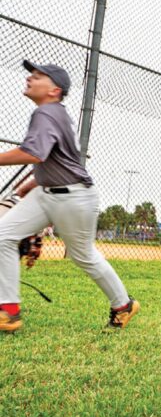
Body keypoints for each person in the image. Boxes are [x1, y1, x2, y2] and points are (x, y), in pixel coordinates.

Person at [0, 60, 139, 332]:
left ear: (54, 90)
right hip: (47, 193)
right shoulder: (53, 113)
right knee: (3, 235)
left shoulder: (47, 113)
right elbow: (53, 158)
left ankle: (123, 304)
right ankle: (9, 311)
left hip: (73, 197)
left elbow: (34, 153)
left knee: (83, 255)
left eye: (39, 76)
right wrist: (34, 181)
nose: (31, 78)